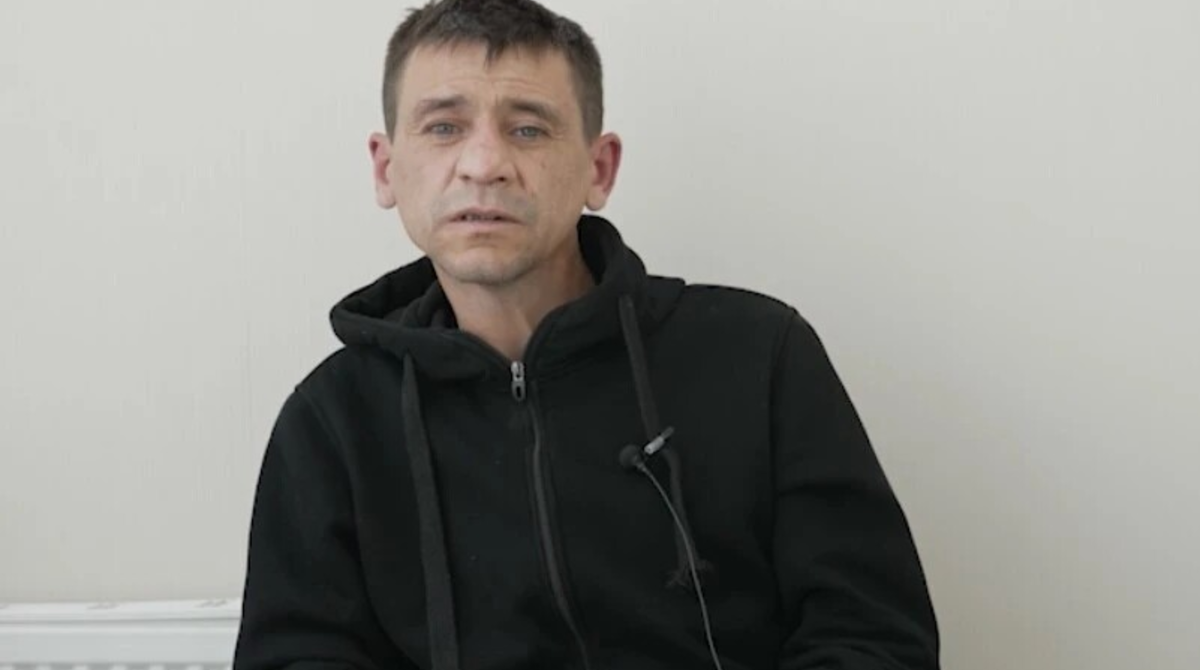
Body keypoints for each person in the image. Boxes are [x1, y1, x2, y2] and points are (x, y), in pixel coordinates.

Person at [232, 1, 940, 668]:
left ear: (599, 170)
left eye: (528, 129)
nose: (484, 164)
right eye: (444, 127)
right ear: (387, 169)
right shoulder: (331, 422)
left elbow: (872, 636)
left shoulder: (762, 356)